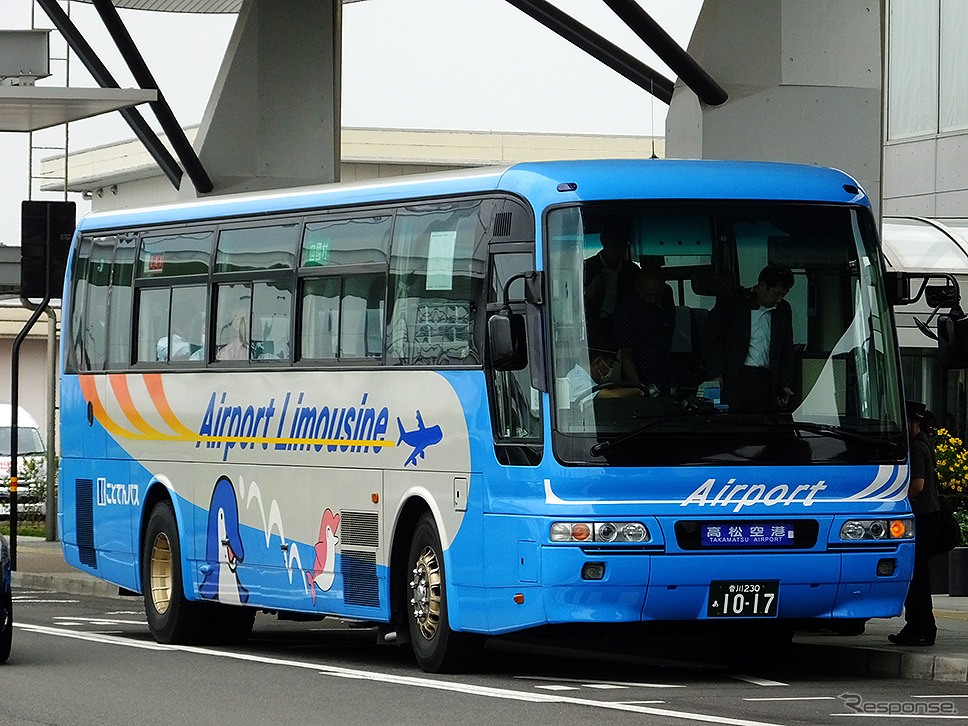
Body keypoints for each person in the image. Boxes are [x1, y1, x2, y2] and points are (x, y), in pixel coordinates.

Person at [702, 263, 796, 412]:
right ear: (763, 285)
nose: (779, 299)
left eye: (783, 295)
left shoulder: (783, 310)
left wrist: (784, 383)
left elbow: (786, 348)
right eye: (777, 294)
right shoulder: (735, 302)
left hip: (766, 381)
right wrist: (717, 374)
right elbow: (712, 338)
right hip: (737, 378)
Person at [889, 400, 942, 647]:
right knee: (918, 576)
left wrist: (896, 500)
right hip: (930, 517)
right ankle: (918, 627)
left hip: (921, 518)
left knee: (916, 577)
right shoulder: (925, 444)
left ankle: (920, 628)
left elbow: (918, 485)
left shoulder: (917, 447)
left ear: (914, 422)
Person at [612, 265, 676, 394]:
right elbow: (626, 355)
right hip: (640, 374)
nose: (653, 299)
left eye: (657, 294)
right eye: (648, 294)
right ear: (637, 287)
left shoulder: (667, 297)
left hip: (667, 371)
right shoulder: (627, 312)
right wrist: (639, 389)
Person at [584, 220, 639, 350]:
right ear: (603, 243)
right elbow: (572, 306)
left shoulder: (632, 271)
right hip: (592, 328)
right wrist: (591, 289)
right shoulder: (586, 268)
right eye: (613, 245)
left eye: (622, 245)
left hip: (625, 327)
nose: (617, 251)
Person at [565, 347, 643, 405]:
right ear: (599, 362)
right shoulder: (578, 379)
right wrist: (637, 390)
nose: (611, 369)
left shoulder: (582, 377)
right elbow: (609, 395)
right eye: (610, 365)